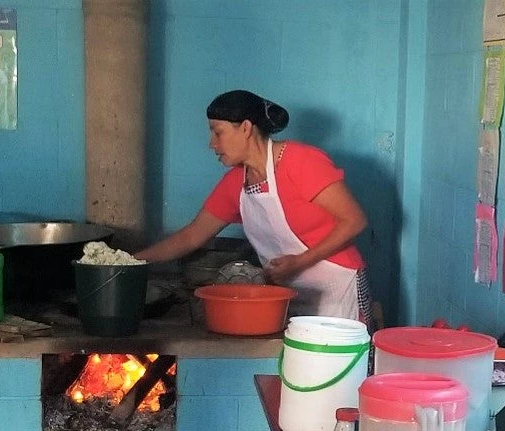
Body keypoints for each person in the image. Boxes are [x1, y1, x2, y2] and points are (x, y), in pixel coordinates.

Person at [135, 90, 373, 328]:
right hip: (287, 296)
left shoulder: (301, 161)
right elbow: (192, 235)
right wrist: (130, 260)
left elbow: (354, 221)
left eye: (218, 133)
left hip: (338, 290)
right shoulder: (235, 183)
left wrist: (300, 262)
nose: (212, 144)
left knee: (341, 363)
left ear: (246, 127)